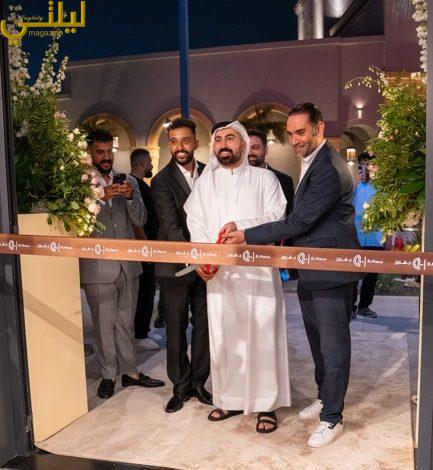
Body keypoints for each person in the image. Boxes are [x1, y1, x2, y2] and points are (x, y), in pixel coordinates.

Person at [223, 103, 363, 447]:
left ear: (319, 128)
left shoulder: (328, 166)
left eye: (301, 132)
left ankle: (333, 418)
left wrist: (247, 234)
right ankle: (324, 398)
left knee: (333, 348)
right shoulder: (314, 161)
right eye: (291, 134)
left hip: (332, 271)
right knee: (317, 343)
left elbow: (299, 221)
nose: (295, 139)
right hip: (312, 269)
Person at [184, 121, 291, 433]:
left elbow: (277, 218)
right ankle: (229, 399)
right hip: (221, 275)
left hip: (258, 274)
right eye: (218, 139)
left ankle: (266, 405)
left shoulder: (265, 178)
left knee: (262, 336)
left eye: (230, 138)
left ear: (244, 144)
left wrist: (241, 228)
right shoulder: (205, 182)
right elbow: (195, 222)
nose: (223, 144)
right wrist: (203, 257)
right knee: (225, 336)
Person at [80, 129, 164, 399]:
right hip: (97, 267)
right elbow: (75, 223)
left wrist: (129, 197)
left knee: (126, 323)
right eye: (100, 152)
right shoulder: (80, 183)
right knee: (104, 326)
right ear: (91, 153)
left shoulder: (129, 181)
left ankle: (130, 372)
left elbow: (140, 219)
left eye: (109, 151)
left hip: (128, 265)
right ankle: (108, 374)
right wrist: (99, 197)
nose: (106, 157)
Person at [151, 118, 212, 413]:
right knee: (175, 328)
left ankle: (199, 382)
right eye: (174, 141)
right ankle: (179, 385)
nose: (180, 147)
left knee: (204, 325)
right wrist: (193, 257)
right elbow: (171, 226)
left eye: (185, 140)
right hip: (176, 264)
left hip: (207, 265)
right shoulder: (161, 181)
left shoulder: (211, 173)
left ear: (196, 143)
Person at [129, 148, 160, 350]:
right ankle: (139, 335)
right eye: (149, 161)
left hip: (147, 247)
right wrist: (145, 246)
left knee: (146, 290)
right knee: (144, 292)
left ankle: (142, 332)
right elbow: (136, 221)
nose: (151, 165)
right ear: (142, 163)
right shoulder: (134, 185)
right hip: (142, 248)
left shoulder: (140, 184)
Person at [352, 152, 383, 319]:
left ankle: (364, 306)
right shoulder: (354, 187)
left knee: (371, 276)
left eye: (368, 164)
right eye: (362, 164)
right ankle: (350, 308)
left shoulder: (382, 188)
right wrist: (355, 183)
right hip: (355, 237)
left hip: (375, 238)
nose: (365, 168)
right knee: (352, 275)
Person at [247, 128, 295, 214]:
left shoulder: (284, 180)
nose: (250, 153)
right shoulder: (235, 179)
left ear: (265, 150)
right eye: (246, 148)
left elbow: (289, 215)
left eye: (256, 148)